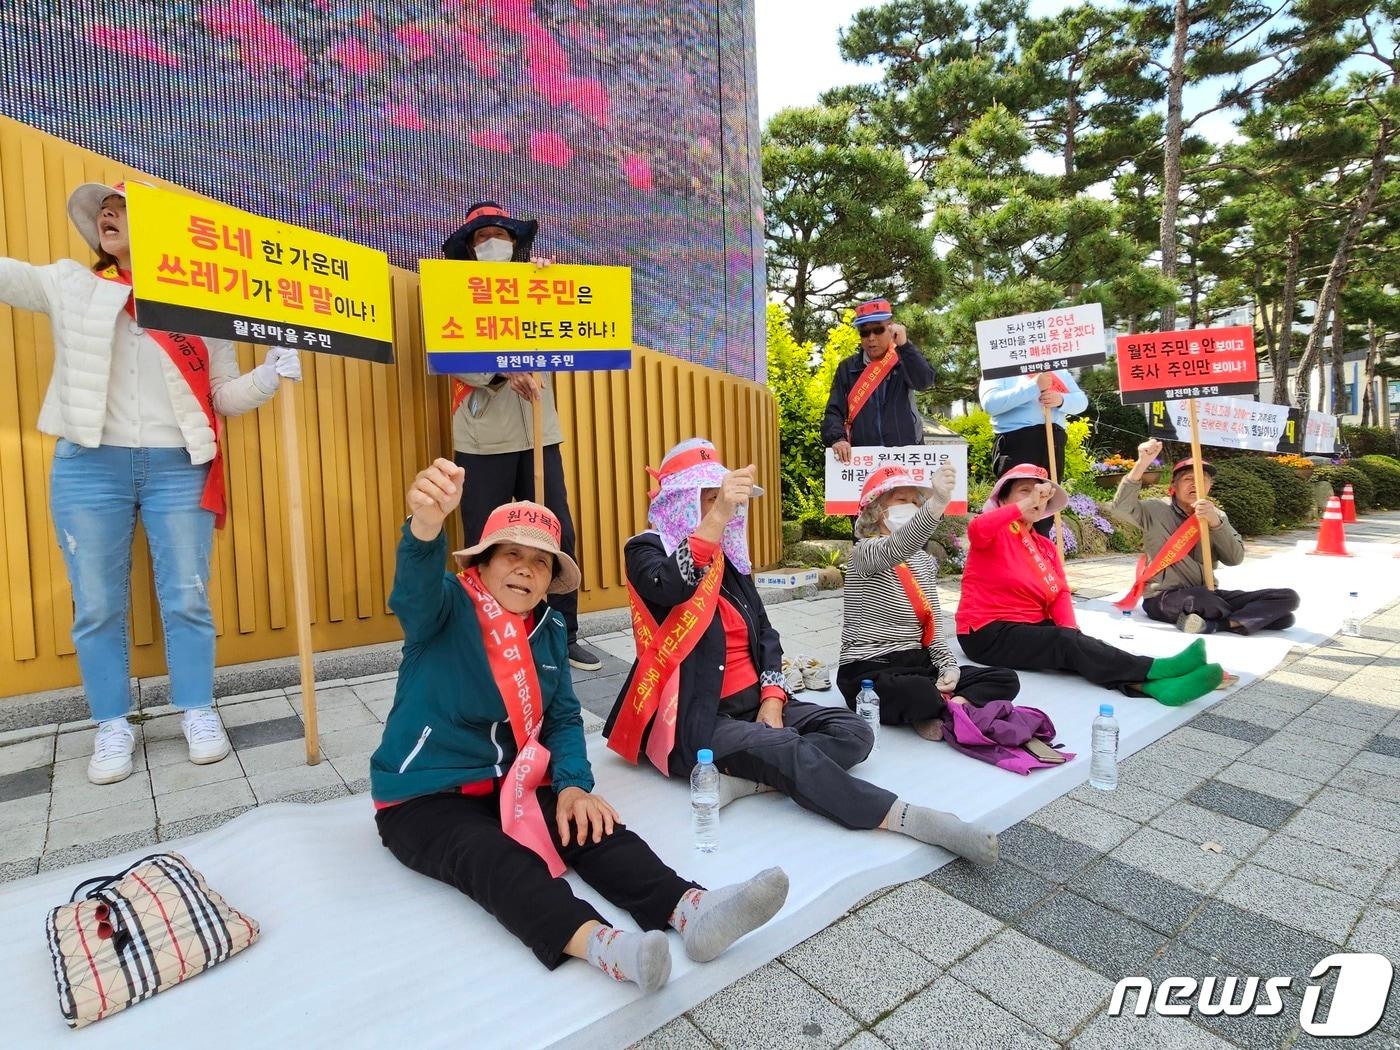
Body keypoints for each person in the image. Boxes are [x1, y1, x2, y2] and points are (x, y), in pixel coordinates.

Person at [371, 459, 789, 992]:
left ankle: (693, 910)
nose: (526, 569)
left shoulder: (547, 629)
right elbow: (412, 592)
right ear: (482, 563)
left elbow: (564, 717)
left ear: (550, 580)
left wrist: (572, 784)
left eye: (541, 562)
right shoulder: (446, 607)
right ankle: (609, 949)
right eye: (511, 555)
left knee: (594, 825)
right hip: (423, 796)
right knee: (494, 858)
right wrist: (425, 526)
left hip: (512, 780)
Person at [0, 181, 300, 785]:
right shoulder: (70, 283)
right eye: (102, 212)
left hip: (178, 464)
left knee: (187, 594)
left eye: (122, 209)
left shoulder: (199, 304)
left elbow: (222, 396)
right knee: (98, 604)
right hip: (90, 465)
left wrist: (269, 375)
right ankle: (111, 724)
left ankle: (197, 709)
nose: (108, 216)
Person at [602, 439, 998, 867]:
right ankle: (907, 817)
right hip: (700, 714)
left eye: (724, 499)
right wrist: (716, 518)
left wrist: (772, 701)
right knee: (792, 749)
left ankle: (750, 781)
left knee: (854, 732)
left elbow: (767, 637)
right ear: (680, 501)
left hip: (754, 700)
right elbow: (669, 585)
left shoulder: (730, 563)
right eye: (710, 498)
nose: (725, 509)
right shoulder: (644, 548)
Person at [440, 201, 601, 671]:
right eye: (482, 237)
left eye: (503, 235)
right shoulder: (455, 292)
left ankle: (562, 632)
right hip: (480, 437)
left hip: (537, 432)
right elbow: (450, 355)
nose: (494, 244)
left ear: (515, 243)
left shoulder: (535, 281)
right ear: (469, 249)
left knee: (556, 531)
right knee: (486, 537)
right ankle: (485, 628)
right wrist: (500, 369)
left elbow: (565, 337)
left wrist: (546, 288)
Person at [956, 464, 1225, 706]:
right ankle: (1156, 668)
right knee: (1065, 641)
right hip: (985, 633)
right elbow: (977, 529)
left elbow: (1059, 593)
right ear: (1003, 498)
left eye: (1041, 494)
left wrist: (1074, 633)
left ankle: (1153, 686)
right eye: (1024, 491)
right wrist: (1020, 508)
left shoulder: (1045, 546)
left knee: (1080, 646)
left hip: (1030, 627)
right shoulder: (993, 532)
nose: (1035, 498)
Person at [837, 465, 1021, 738]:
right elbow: (897, 546)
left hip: (919, 663)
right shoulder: (863, 553)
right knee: (918, 692)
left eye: (916, 501)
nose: (911, 506)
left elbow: (932, 622)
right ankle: (935, 706)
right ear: (875, 511)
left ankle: (945, 707)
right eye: (901, 500)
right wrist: (936, 503)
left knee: (1005, 678)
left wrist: (948, 667)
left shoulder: (922, 561)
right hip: (871, 666)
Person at [1112, 440, 1300, 634]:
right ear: (1173, 485)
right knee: (1204, 601)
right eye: (1188, 478)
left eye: (1203, 480)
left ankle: (1217, 624)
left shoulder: (1217, 515)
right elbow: (1120, 508)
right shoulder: (1155, 509)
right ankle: (1248, 618)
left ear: (1210, 486)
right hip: (1165, 596)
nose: (1195, 484)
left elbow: (1234, 559)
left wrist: (1215, 525)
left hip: (1209, 592)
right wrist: (1142, 463)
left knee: (1287, 598)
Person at [821, 297, 936, 464]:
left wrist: (905, 346)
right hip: (865, 461)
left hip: (905, 457)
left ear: (891, 329)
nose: (871, 338)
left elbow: (924, 381)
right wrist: (837, 438)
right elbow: (834, 411)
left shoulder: (903, 358)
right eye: (864, 332)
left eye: (878, 330)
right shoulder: (847, 368)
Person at [979, 369, 1087, 536]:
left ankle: (1039, 556)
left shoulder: (1056, 367)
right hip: (1018, 441)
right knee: (1018, 502)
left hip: (1054, 441)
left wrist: (1061, 399)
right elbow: (990, 403)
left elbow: (1082, 401)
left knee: (1045, 505)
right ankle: (1010, 554)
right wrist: (1033, 387)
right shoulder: (999, 364)